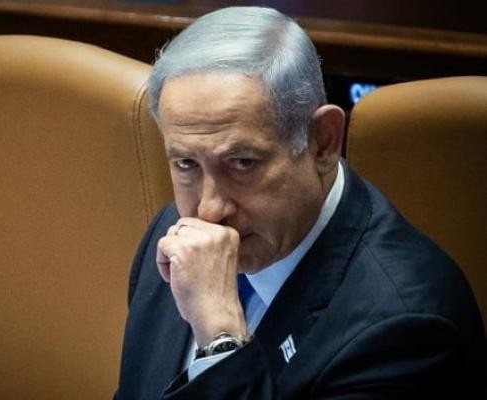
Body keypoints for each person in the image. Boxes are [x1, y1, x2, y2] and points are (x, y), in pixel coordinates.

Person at [114, 6, 486, 399]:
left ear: (323, 142)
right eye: (186, 163)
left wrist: (221, 340)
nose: (208, 211)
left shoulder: (406, 331)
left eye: (243, 163)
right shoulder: (174, 237)